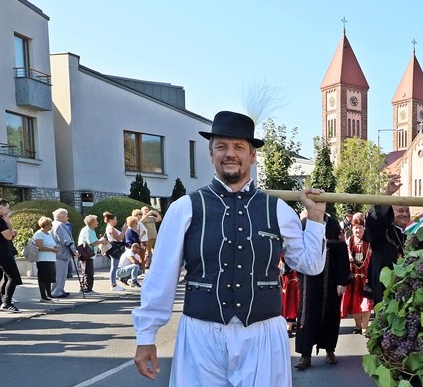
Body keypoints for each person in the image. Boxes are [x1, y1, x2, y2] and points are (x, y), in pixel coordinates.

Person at [132, 110, 328, 386]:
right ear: (211, 153)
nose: (230, 154)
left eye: (238, 147)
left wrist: (317, 218)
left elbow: (310, 264)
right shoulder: (185, 208)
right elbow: (161, 276)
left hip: (263, 334)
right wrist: (146, 337)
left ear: (252, 155)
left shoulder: (279, 210)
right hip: (201, 335)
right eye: (221, 146)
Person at [294, 211, 351, 370]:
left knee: (331, 314)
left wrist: (342, 280)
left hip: (331, 279)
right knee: (307, 315)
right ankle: (305, 355)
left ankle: (330, 350)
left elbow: (342, 254)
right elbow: (296, 250)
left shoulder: (333, 225)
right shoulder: (304, 224)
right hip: (309, 279)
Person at [364, 174, 409, 306]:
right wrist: (387, 194)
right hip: (386, 291)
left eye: (407, 210)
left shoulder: (413, 232)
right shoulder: (381, 232)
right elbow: (375, 219)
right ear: (389, 212)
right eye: (400, 210)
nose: (405, 214)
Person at [340, 213, 372, 335]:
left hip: (366, 277)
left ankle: (365, 326)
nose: (358, 230)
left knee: (366, 302)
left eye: (360, 227)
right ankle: (357, 325)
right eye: (356, 227)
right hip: (353, 277)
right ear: (352, 228)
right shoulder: (349, 242)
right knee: (354, 303)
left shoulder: (369, 242)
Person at [78, 215, 109, 293]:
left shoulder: (91, 230)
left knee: (87, 272)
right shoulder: (88, 230)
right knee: (88, 272)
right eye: (96, 221)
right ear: (91, 222)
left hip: (89, 254)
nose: (98, 223)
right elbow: (92, 242)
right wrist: (101, 241)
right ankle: (86, 289)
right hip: (86, 254)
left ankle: (86, 288)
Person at [50, 209, 77, 298]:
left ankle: (58, 290)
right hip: (61, 253)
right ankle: (57, 291)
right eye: (66, 215)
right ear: (61, 217)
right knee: (61, 274)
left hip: (58, 253)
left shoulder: (53, 224)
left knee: (59, 274)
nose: (67, 217)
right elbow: (66, 240)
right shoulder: (60, 225)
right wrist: (74, 250)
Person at [33, 216, 59, 302]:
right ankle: (43, 296)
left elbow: (50, 244)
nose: (51, 226)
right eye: (50, 224)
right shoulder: (39, 233)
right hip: (43, 259)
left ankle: (49, 294)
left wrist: (55, 247)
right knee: (43, 278)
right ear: (45, 225)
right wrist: (52, 249)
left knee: (49, 278)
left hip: (51, 258)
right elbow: (39, 246)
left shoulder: (49, 233)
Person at [103, 212, 125, 291]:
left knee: (114, 266)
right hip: (114, 248)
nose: (116, 221)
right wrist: (123, 230)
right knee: (114, 266)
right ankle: (113, 284)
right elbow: (119, 238)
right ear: (111, 220)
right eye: (115, 219)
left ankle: (114, 283)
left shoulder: (110, 227)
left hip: (114, 248)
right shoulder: (111, 228)